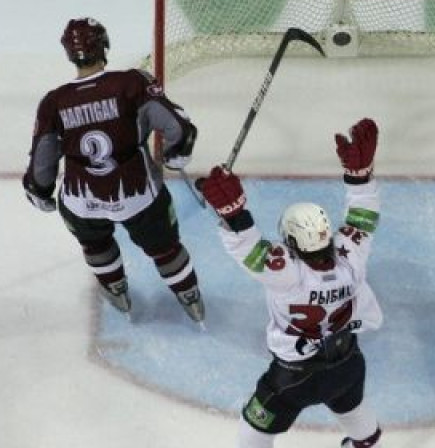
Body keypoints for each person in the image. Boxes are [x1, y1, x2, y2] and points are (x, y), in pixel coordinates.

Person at [198, 118, 383, 448]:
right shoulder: (351, 253)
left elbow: (250, 249)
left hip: (294, 377)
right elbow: (363, 218)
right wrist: (360, 177)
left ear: (292, 242)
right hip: (348, 363)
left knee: (251, 429)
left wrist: (234, 213)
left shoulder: (287, 273)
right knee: (355, 414)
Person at [21, 17, 205, 324]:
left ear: (70, 54)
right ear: (104, 45)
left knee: (95, 242)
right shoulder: (132, 84)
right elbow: (178, 128)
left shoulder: (53, 103)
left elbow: (43, 161)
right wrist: (178, 153)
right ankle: (190, 297)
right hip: (139, 196)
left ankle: (116, 289)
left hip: (82, 202)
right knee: (165, 248)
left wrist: (40, 191)